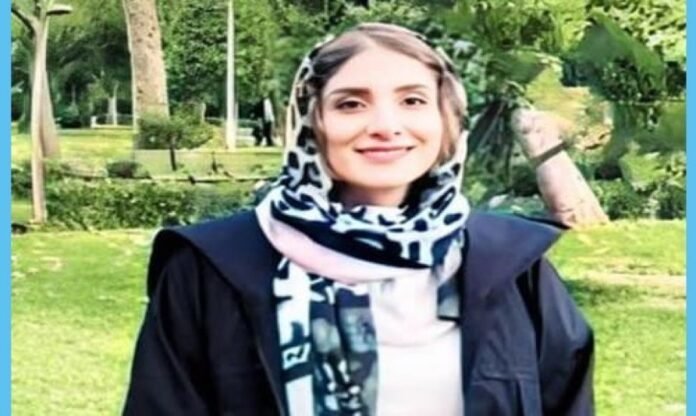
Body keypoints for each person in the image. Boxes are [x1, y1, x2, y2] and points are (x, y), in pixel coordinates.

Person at [123, 23, 594, 416]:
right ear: (311, 122)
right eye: (351, 103)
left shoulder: (511, 266)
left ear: (446, 118)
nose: (385, 125)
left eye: (413, 101)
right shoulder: (213, 267)